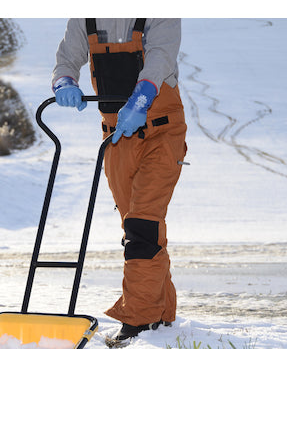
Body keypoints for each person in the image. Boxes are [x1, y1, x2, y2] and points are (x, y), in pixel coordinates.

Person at [52, 18, 187, 347]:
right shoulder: (85, 16)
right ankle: (162, 312)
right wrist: (64, 82)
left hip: (161, 132)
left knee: (143, 224)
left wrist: (140, 100)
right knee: (138, 228)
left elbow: (160, 58)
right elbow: (67, 58)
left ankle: (138, 318)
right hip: (117, 136)